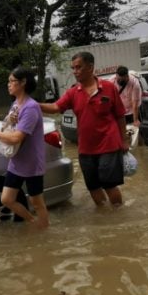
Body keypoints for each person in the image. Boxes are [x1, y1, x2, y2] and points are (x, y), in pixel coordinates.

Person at [39, 52, 129, 207]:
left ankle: (118, 213)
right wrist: (33, 105)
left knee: (109, 184)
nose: (75, 71)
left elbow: (120, 116)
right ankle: (105, 216)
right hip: (86, 149)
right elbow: (55, 107)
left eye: (78, 67)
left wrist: (124, 141)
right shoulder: (73, 92)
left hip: (109, 144)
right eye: (73, 68)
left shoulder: (108, 88)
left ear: (90, 67)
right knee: (93, 186)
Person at [0, 67, 50, 228]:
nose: (8, 85)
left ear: (23, 83)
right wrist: (11, 122)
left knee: (36, 201)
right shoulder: (15, 104)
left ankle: (45, 229)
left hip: (32, 163)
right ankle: (33, 222)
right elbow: (13, 129)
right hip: (17, 161)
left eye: (11, 81)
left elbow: (16, 138)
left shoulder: (31, 107)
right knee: (6, 199)